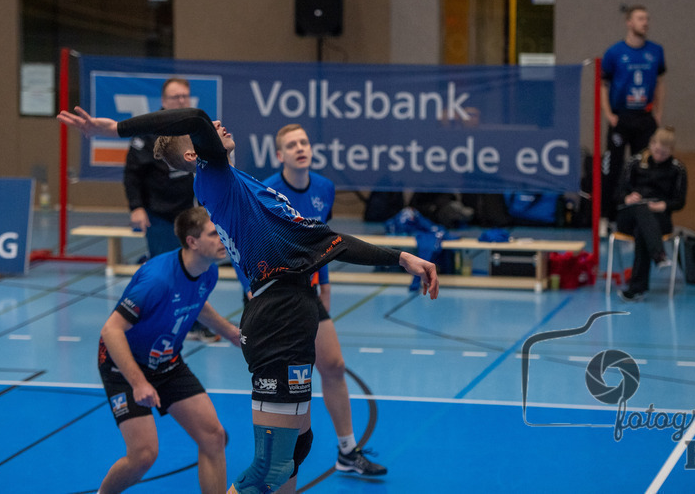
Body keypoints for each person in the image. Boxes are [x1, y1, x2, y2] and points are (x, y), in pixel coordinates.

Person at [58, 106, 438, 494]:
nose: (218, 124)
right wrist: (114, 127)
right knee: (267, 471)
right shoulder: (214, 177)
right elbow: (193, 118)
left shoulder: (246, 187)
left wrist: (400, 258)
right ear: (194, 154)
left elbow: (326, 239)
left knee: (296, 448)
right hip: (277, 317)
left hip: (295, 308)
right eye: (205, 133)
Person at [258, 124, 386, 477]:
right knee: (286, 382)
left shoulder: (325, 188)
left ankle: (347, 452)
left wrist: (324, 282)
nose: (300, 147)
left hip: (308, 290)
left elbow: (324, 240)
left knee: (333, 365)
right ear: (279, 155)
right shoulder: (267, 190)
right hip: (274, 296)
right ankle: (277, 460)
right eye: (291, 144)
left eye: (304, 141)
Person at [97, 206, 241, 494]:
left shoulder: (207, 273)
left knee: (213, 437)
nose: (222, 239)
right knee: (143, 456)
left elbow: (199, 304)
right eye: (214, 234)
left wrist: (234, 334)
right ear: (192, 242)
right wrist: (138, 383)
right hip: (124, 366)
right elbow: (111, 331)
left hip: (167, 363)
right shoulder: (157, 281)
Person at [124, 77, 217, 342]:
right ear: (164, 102)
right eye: (175, 97)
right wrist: (136, 208)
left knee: (195, 268)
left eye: (185, 97)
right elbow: (132, 174)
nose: (181, 101)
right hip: (158, 215)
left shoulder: (195, 129)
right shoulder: (147, 132)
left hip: (190, 213)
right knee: (164, 272)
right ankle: (155, 321)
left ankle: (194, 324)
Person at [601, 5, 667, 221]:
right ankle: (608, 216)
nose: (645, 22)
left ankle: (642, 214)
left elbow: (659, 83)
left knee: (644, 167)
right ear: (629, 23)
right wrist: (609, 114)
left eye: (647, 19)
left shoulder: (655, 51)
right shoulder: (614, 52)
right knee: (613, 168)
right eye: (640, 18)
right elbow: (603, 84)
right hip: (621, 117)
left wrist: (658, 114)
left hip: (644, 117)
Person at [616, 127, 687, 302]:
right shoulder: (634, 162)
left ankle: (636, 290)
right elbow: (616, 193)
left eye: (664, 153)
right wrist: (627, 197)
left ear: (671, 151)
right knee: (641, 209)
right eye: (656, 151)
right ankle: (659, 255)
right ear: (651, 145)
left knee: (643, 231)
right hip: (630, 215)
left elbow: (679, 201)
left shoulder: (677, 169)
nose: (659, 155)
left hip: (659, 218)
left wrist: (663, 205)